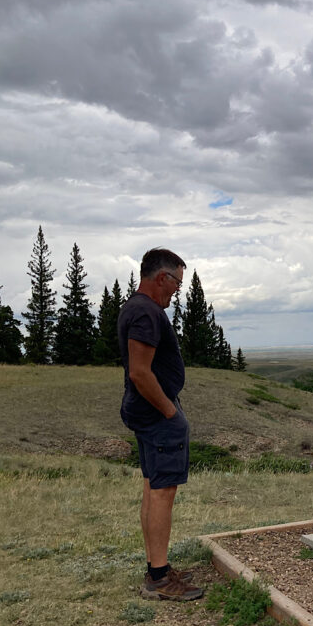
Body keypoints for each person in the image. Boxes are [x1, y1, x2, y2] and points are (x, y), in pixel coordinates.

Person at [118, 248, 203, 601]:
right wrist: (170, 412)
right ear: (162, 278)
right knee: (162, 493)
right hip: (156, 416)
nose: (177, 292)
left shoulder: (135, 309)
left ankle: (159, 567)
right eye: (177, 284)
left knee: (154, 488)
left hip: (148, 414)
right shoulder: (146, 313)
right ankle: (157, 578)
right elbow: (140, 372)